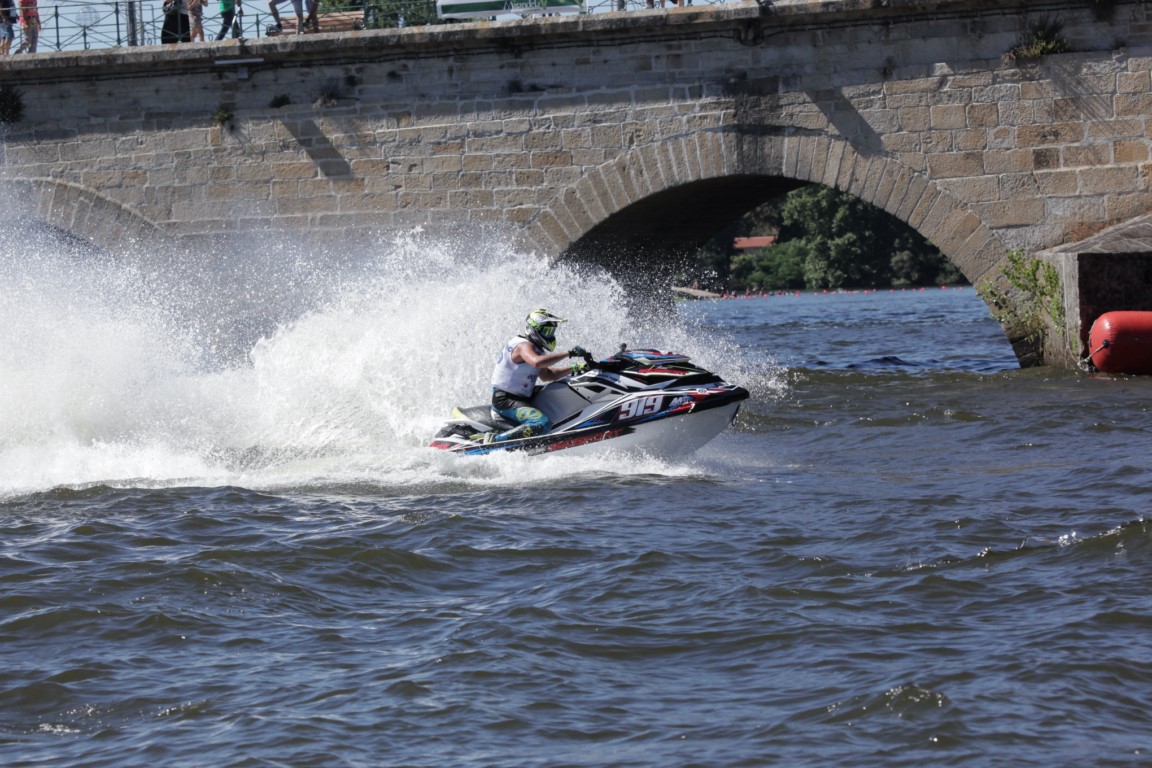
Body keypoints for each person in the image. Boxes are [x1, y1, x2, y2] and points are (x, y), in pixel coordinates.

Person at [486, 309, 590, 444]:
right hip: (505, 400)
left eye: (551, 332)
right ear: (534, 330)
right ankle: (495, 441)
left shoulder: (535, 349)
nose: (550, 335)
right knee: (542, 423)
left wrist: (576, 368)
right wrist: (569, 353)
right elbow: (536, 362)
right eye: (547, 331)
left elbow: (548, 375)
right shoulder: (523, 346)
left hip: (519, 397)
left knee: (558, 389)